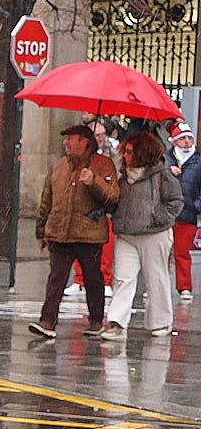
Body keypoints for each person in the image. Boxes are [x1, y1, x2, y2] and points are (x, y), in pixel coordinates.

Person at [30, 123, 119, 341]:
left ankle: (96, 320)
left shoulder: (103, 164)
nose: (65, 143)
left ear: (84, 141)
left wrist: (94, 182)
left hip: (88, 235)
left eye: (70, 138)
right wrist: (41, 230)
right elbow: (46, 199)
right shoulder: (59, 165)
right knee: (56, 279)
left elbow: (113, 199)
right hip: (60, 233)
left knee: (92, 279)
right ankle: (47, 321)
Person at [104, 129, 182, 340]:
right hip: (126, 234)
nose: (125, 156)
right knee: (123, 278)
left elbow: (176, 202)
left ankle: (161, 322)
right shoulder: (122, 177)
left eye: (129, 152)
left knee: (156, 277)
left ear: (142, 153)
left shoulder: (161, 175)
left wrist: (159, 217)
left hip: (154, 234)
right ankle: (117, 322)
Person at [173, 121, 197, 301]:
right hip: (166, 214)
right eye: (183, 139)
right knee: (160, 254)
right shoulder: (166, 160)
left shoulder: (198, 162)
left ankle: (184, 286)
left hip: (187, 213)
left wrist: (196, 206)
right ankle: (158, 286)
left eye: (189, 138)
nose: (187, 142)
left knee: (182, 252)